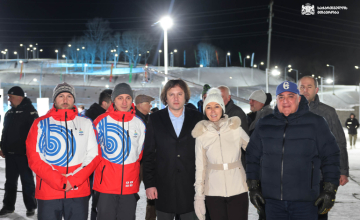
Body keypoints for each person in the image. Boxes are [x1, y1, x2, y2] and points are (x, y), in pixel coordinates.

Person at [246, 81, 340, 220]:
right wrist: (253, 186)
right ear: (276, 100)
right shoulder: (264, 124)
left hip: (305, 202)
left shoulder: (316, 123)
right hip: (272, 202)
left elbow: (331, 156)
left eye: (290, 96)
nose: (285, 101)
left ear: (299, 98)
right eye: (281, 97)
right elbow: (252, 157)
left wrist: (329, 190)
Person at [26, 82, 102, 220]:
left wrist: (73, 181)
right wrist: (59, 181)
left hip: (78, 191)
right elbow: (34, 158)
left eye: (69, 96)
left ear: (74, 99)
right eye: (61, 96)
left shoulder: (86, 123)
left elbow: (94, 155)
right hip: (49, 191)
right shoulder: (40, 123)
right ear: (54, 99)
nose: (65, 100)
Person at [143, 79, 203, 220]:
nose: (176, 98)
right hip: (164, 187)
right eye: (171, 94)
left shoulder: (198, 118)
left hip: (190, 188)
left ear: (185, 96)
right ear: (165, 98)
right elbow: (149, 154)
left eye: (179, 94)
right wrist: (149, 184)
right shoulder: (155, 119)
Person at [192, 88, 249, 220]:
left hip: (238, 189)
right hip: (213, 192)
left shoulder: (235, 128)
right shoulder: (201, 134)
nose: (213, 111)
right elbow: (200, 168)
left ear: (222, 108)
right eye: (209, 107)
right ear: (204, 110)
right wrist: (199, 197)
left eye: (217, 106)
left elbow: (253, 152)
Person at [298, 75, 349, 220]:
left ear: (317, 89)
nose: (305, 90)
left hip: (319, 176)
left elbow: (339, 142)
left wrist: (343, 170)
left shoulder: (328, 112)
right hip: (295, 176)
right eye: (302, 87)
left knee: (319, 213)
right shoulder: (290, 110)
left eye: (309, 87)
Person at [92, 83, 146, 220]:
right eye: (120, 98)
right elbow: (94, 153)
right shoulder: (100, 121)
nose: (124, 102)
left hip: (129, 186)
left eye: (128, 98)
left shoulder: (139, 124)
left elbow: (139, 154)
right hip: (106, 187)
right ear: (113, 100)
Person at [0, 86, 38, 217]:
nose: (9, 99)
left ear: (19, 97)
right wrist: (2, 147)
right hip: (10, 154)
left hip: (24, 155)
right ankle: (8, 206)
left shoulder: (31, 112)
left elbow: (35, 134)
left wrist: (32, 151)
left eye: (11, 97)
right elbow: (4, 132)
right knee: (10, 182)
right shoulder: (9, 113)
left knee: (27, 181)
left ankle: (31, 207)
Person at [85, 89, 112, 220]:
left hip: (92, 165)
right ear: (104, 103)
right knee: (96, 199)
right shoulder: (97, 119)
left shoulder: (88, 115)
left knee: (91, 199)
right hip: (95, 165)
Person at [135, 94, 156, 220]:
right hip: (137, 163)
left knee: (152, 195)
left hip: (148, 161)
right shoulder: (133, 119)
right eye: (148, 103)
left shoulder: (150, 119)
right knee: (131, 194)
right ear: (140, 105)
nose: (150, 105)